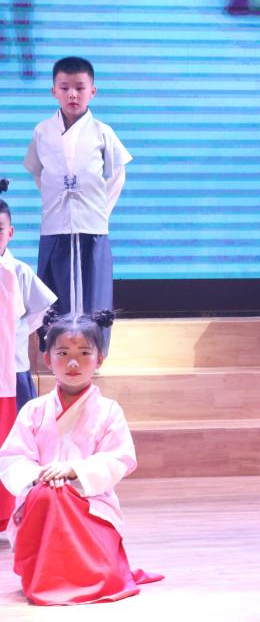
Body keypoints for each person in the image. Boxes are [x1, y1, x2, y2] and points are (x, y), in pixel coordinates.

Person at [0, 311, 162, 605]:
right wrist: (40, 476)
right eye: (62, 353)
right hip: (41, 504)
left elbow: (119, 458)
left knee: (59, 496)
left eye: (84, 353)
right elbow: (13, 457)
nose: (73, 363)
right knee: (50, 495)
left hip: (92, 504)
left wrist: (73, 470)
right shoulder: (34, 410)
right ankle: (46, 576)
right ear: (48, 359)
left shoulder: (109, 410)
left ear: (99, 359)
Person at [23, 57, 131, 350]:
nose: (72, 94)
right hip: (55, 222)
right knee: (55, 290)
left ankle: (93, 352)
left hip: (92, 223)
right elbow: (37, 171)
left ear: (92, 91)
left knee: (93, 291)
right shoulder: (42, 131)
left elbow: (117, 174)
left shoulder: (102, 132)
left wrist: (100, 209)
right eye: (65, 87)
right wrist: (55, 196)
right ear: (53, 91)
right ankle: (55, 351)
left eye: (80, 88)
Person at [0, 178, 57, 414]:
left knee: (19, 424)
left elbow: (40, 310)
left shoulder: (20, 271)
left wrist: (15, 330)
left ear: (10, 232)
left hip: (14, 364)